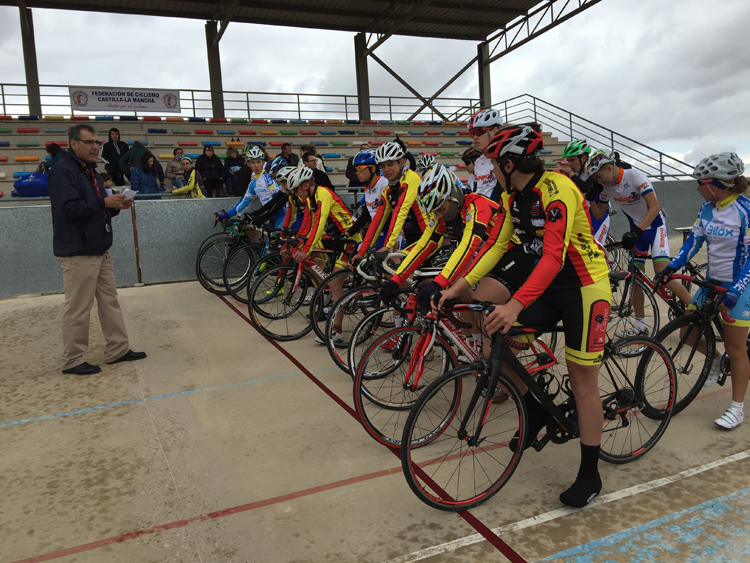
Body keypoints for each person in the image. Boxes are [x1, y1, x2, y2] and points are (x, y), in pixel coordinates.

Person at [436, 123, 612, 508]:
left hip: (585, 286)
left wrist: (515, 303)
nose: (490, 172)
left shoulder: (558, 190)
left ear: (511, 163)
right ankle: (535, 410)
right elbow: (500, 246)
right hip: (550, 285)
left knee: (582, 380)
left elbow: (552, 256)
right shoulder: (514, 196)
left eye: (494, 165)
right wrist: (458, 285)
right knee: (498, 336)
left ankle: (590, 473)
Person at [655, 153, 750, 429]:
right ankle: (717, 361)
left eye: (700, 182)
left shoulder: (744, 210)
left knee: (736, 348)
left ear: (717, 183)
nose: (696, 187)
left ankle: (737, 408)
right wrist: (671, 267)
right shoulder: (707, 208)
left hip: (739, 286)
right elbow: (693, 242)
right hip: (712, 282)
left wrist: (735, 291)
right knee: (687, 331)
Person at [48, 124, 146, 375]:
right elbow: (68, 208)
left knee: (109, 302)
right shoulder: (63, 171)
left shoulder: (90, 170)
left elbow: (95, 207)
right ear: (74, 144)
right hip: (78, 251)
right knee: (78, 307)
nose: (95, 147)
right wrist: (103, 201)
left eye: (97, 142)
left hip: (99, 247)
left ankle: (118, 349)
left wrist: (115, 205)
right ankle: (72, 359)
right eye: (89, 142)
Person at [586, 148, 692, 335]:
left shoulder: (634, 176)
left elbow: (654, 207)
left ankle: (697, 310)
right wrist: (591, 198)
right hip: (637, 232)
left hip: (654, 227)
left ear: (609, 167)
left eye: (599, 176)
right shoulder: (605, 187)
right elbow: (598, 214)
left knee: (662, 275)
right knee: (636, 279)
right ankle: (641, 326)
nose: (598, 180)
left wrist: (638, 230)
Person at [285, 166, 359, 344]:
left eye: (295, 190)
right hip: (336, 241)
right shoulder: (310, 199)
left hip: (350, 241)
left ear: (304, 185)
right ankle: (329, 297)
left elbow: (319, 224)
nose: (294, 195)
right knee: (329, 278)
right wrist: (295, 243)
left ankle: (337, 332)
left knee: (334, 283)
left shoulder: (323, 193)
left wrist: (306, 250)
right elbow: (308, 225)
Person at [351, 141, 428, 263]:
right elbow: (377, 220)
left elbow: (401, 210)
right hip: (411, 238)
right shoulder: (388, 189)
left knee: (397, 269)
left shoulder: (411, 178)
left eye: (390, 164)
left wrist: (388, 245)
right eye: (382, 166)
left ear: (402, 162)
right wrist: (362, 252)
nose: (386, 169)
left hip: (427, 236)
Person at [217, 145, 284, 229]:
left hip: (280, 215)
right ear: (248, 164)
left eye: (258, 162)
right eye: (252, 162)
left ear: (263, 163)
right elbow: (243, 202)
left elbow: (278, 199)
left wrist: (263, 214)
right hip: (269, 215)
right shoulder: (253, 183)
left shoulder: (268, 177)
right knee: (252, 233)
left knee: (274, 240)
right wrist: (226, 215)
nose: (256, 165)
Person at [561, 140, 610, 246]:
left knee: (596, 248)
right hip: (585, 214)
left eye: (572, 160)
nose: (569, 164)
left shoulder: (594, 168)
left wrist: (570, 173)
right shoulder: (577, 173)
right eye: (568, 160)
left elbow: (585, 187)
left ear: (583, 158)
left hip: (599, 214)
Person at [346, 149, 388, 243]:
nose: (357, 172)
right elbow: (366, 215)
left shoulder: (384, 185)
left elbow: (388, 216)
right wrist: (346, 234)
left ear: (372, 169)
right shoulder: (368, 187)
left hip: (388, 234)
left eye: (360, 169)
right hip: (377, 232)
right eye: (356, 169)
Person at [467, 109, 503, 200]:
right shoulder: (478, 161)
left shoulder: (505, 158)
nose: (475, 137)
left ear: (495, 131)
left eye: (479, 131)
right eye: (472, 133)